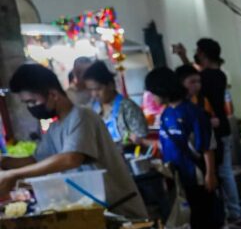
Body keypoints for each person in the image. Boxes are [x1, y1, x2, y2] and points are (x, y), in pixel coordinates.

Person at [0, 63, 146, 219]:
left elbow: (71, 158)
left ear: (53, 94)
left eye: (32, 102)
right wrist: (6, 161)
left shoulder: (82, 115)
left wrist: (13, 175)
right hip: (96, 215)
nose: (31, 108)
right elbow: (36, 160)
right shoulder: (54, 128)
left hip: (120, 212)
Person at [148, 67, 235, 229]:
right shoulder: (167, 114)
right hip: (177, 179)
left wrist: (210, 174)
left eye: (153, 92)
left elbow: (207, 146)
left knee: (205, 220)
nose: (151, 97)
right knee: (190, 223)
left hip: (197, 176)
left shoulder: (193, 112)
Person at [173, 38, 241, 228]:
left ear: (202, 53)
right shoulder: (217, 74)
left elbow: (194, 74)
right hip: (220, 128)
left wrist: (183, 56)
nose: (194, 84)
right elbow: (194, 73)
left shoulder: (212, 75)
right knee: (223, 172)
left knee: (223, 173)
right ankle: (232, 213)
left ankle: (233, 213)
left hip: (218, 130)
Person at [83, 61, 148, 146]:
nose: (94, 94)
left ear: (111, 85)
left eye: (98, 89)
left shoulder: (128, 107)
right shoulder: (93, 109)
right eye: (90, 90)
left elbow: (142, 138)